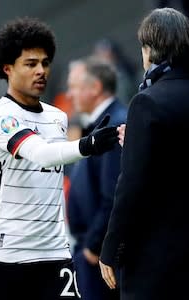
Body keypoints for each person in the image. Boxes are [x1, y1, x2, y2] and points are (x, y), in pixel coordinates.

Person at [0, 17, 120, 300]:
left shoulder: (57, 117)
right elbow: (41, 154)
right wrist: (88, 145)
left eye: (45, 63)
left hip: (54, 255)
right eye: (30, 64)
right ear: (7, 68)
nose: (41, 71)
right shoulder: (0, 117)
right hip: (5, 256)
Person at [99, 8, 189, 300]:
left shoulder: (146, 102)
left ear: (153, 51)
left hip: (155, 258)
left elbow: (131, 185)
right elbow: (188, 164)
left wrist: (111, 247)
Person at [65, 56, 126, 300]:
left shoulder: (115, 125)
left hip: (99, 256)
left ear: (95, 88)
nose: (70, 94)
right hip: (92, 251)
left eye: (75, 87)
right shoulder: (100, 123)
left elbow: (114, 192)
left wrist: (94, 245)